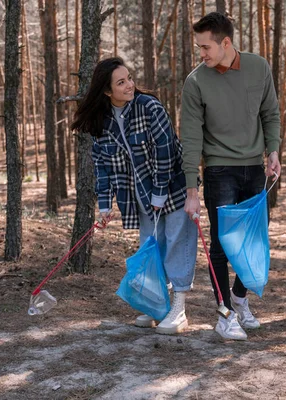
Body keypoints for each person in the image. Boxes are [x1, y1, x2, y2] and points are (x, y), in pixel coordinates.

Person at [71, 57, 198, 335]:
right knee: (151, 249)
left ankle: (179, 309)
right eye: (121, 82)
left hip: (172, 190)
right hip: (140, 197)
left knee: (178, 244)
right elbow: (101, 166)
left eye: (129, 78)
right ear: (107, 91)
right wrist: (104, 205)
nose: (130, 85)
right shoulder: (101, 123)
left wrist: (159, 192)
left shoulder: (149, 107)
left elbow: (166, 150)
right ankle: (158, 306)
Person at [180, 12, 282, 341]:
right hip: (219, 170)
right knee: (223, 246)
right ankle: (225, 314)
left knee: (254, 240)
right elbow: (191, 139)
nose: (201, 54)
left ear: (226, 43)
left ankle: (240, 298)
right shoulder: (195, 82)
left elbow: (270, 113)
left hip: (254, 168)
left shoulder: (258, 67)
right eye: (199, 47)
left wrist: (273, 152)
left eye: (206, 47)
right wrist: (191, 189)